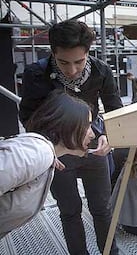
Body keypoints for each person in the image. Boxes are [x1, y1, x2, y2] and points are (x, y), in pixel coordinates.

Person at [19, 20, 122, 255]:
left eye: (79, 61)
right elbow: (27, 117)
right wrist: (44, 150)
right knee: (69, 210)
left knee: (102, 208)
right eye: (64, 62)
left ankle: (110, 253)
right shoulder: (36, 73)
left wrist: (108, 134)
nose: (72, 70)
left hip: (93, 145)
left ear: (88, 53)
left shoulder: (101, 70)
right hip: (58, 152)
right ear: (53, 52)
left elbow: (115, 109)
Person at [1, 90, 95, 239]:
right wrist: (43, 155)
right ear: (68, 124)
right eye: (88, 125)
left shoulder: (43, 154)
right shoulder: (39, 152)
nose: (92, 134)